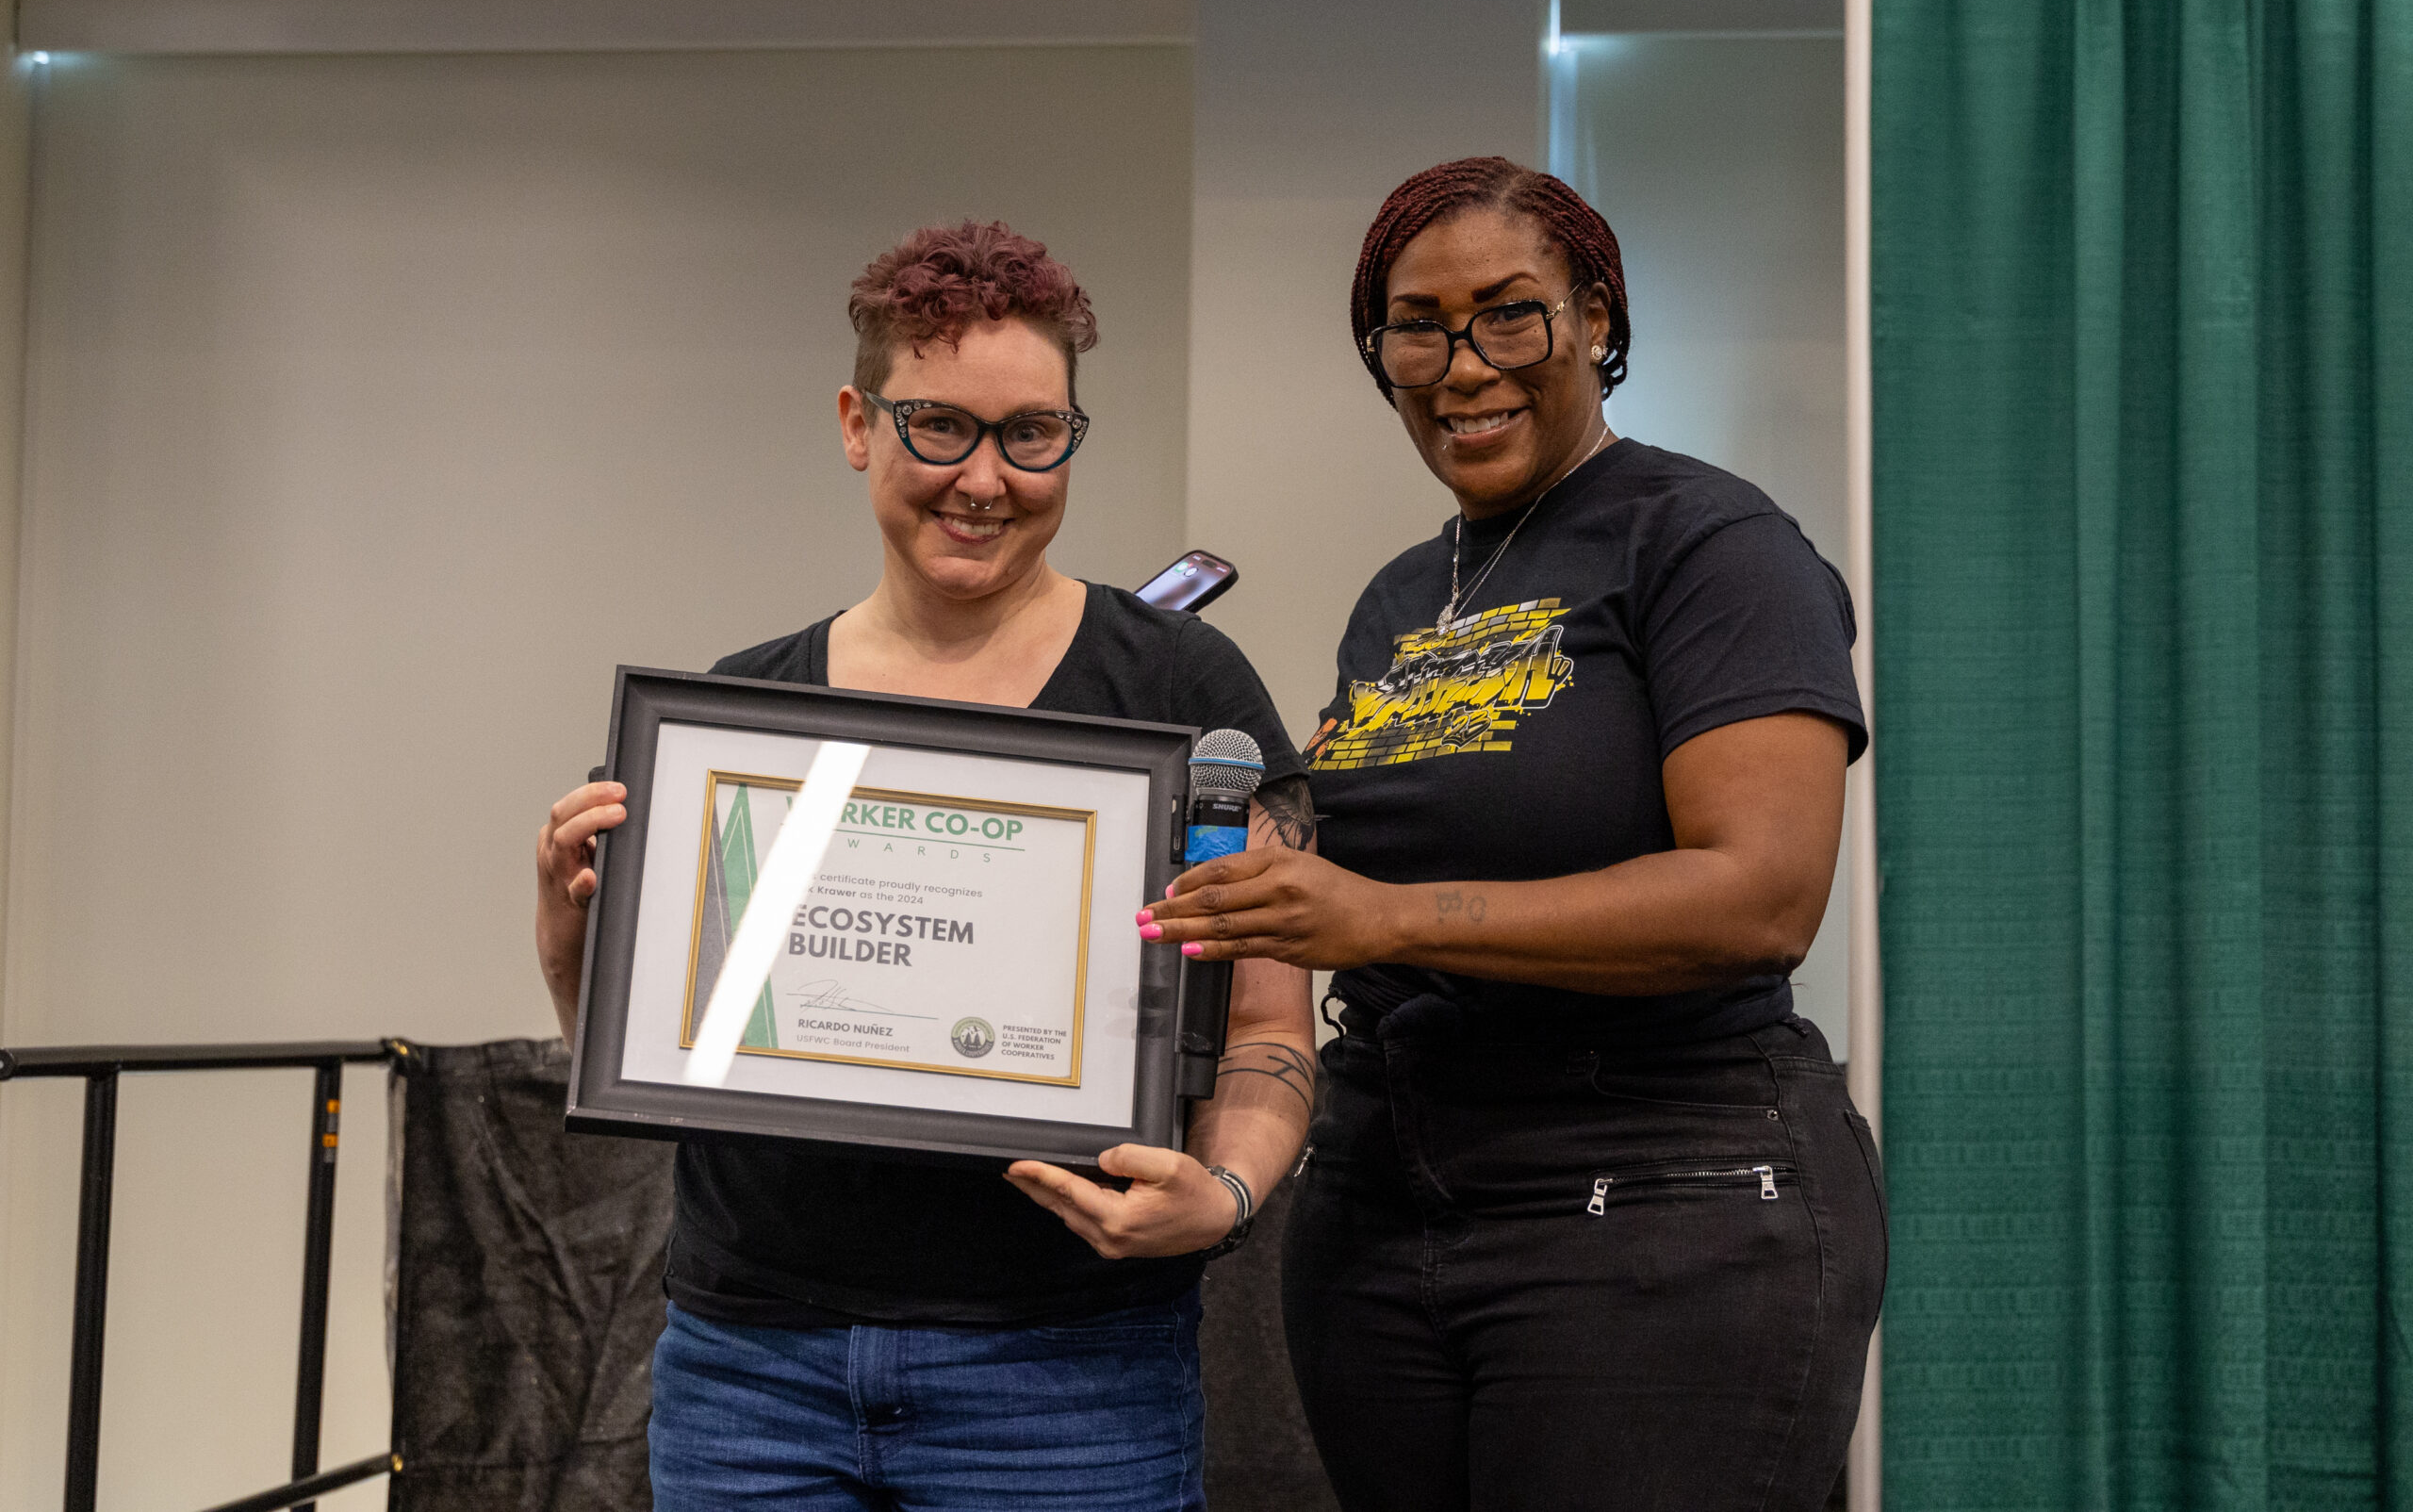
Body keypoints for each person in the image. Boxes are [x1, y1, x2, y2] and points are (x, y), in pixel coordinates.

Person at [1138, 157, 1886, 1511]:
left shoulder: (1709, 541)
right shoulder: (1405, 595)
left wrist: (1383, 920)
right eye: (1418, 326)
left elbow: (1763, 897)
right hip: (1386, 1202)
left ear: (1596, 319)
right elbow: (1354, 857)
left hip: (1656, 1199)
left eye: (1511, 313)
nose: (1463, 362)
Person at [534, 220, 1318, 1511]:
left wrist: (1226, 1193)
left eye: (1033, 433)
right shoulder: (745, 719)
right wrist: (570, 943)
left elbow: (1274, 1024)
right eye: (939, 427)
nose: (986, 477)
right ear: (858, 422)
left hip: (1066, 1372)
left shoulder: (1183, 694)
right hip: (752, 1370)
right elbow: (665, 1064)